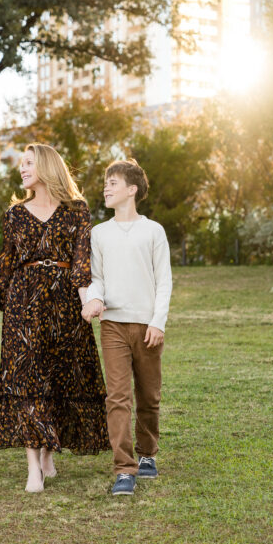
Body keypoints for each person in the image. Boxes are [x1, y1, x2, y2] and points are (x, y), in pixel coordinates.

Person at [0, 143, 109, 493]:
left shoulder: (76, 211)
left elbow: (83, 262)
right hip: (23, 303)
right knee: (28, 379)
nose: (22, 169)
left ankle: (48, 452)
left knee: (57, 378)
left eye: (28, 163)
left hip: (65, 303)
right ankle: (33, 469)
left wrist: (89, 301)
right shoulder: (15, 213)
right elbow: (7, 261)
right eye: (21, 164)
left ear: (46, 166)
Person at [81, 159, 172, 496]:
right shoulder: (99, 233)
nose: (107, 188)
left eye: (114, 182)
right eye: (106, 183)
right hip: (113, 326)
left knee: (148, 395)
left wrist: (157, 322)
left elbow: (164, 282)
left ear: (132, 189)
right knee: (117, 397)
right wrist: (94, 300)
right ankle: (124, 468)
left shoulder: (154, 231)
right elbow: (98, 278)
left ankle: (147, 453)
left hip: (147, 326)